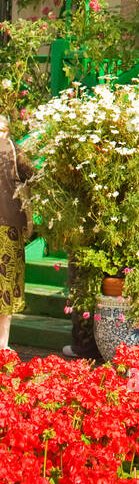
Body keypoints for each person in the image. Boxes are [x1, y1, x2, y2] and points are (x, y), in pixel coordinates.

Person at [0, 114, 34, 351]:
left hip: (8, 225)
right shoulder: (13, 150)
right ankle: (2, 345)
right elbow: (33, 175)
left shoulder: (13, 150)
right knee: (7, 287)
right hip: (10, 224)